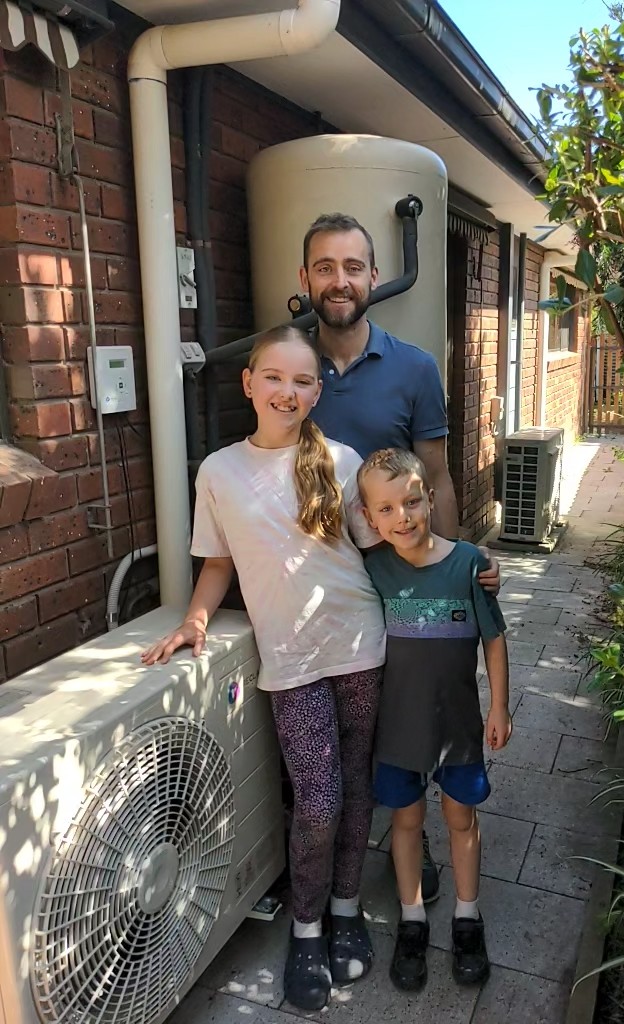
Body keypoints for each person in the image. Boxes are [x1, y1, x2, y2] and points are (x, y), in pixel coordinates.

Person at [141, 326, 386, 1013]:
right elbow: (218, 561)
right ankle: (305, 927)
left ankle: (344, 909)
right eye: (273, 377)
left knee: (356, 782)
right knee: (317, 800)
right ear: (248, 383)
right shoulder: (219, 471)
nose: (287, 391)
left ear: (317, 391)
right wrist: (193, 619)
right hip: (290, 659)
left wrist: (457, 574)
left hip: (360, 644)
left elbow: (380, 548)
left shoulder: (342, 461)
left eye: (302, 380)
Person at [299, 212, 501, 901]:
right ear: (304, 279)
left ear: (374, 279)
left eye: (353, 267)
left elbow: (438, 479)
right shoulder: (291, 370)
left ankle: (418, 854)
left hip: (402, 595)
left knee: (419, 721)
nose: (339, 280)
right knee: (346, 746)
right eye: (324, 267)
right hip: (321, 598)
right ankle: (350, 865)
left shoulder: (413, 367)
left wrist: (461, 569)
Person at [357, 447, 512, 992]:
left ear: (428, 498)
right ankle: (413, 918)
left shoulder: (469, 562)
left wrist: (498, 705)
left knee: (461, 818)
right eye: (387, 509)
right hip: (398, 728)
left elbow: (494, 639)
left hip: (459, 727)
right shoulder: (371, 570)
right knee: (404, 822)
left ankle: (468, 918)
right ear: (369, 516)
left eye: (413, 501)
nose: (403, 517)